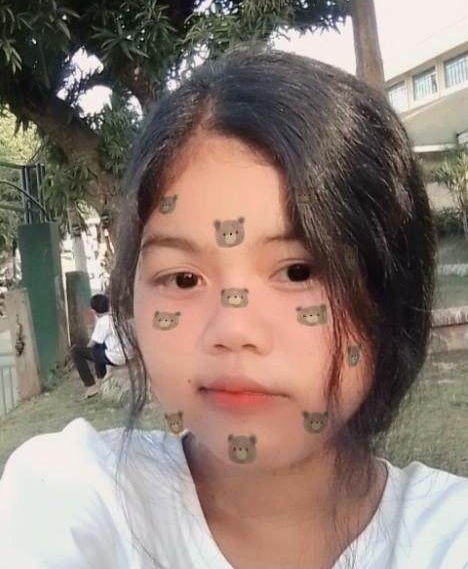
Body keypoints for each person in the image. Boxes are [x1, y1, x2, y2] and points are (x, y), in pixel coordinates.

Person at [0, 45, 467, 568]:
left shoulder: (450, 537)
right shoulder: (73, 498)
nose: (233, 329)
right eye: (183, 278)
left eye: (298, 271)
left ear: (392, 295)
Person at [70, 293, 127, 400]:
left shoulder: (102, 321)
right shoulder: (117, 316)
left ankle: (91, 386)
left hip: (116, 357)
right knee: (98, 348)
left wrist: (85, 353)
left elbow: (91, 344)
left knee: (76, 351)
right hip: (128, 354)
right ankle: (101, 379)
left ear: (93, 311)